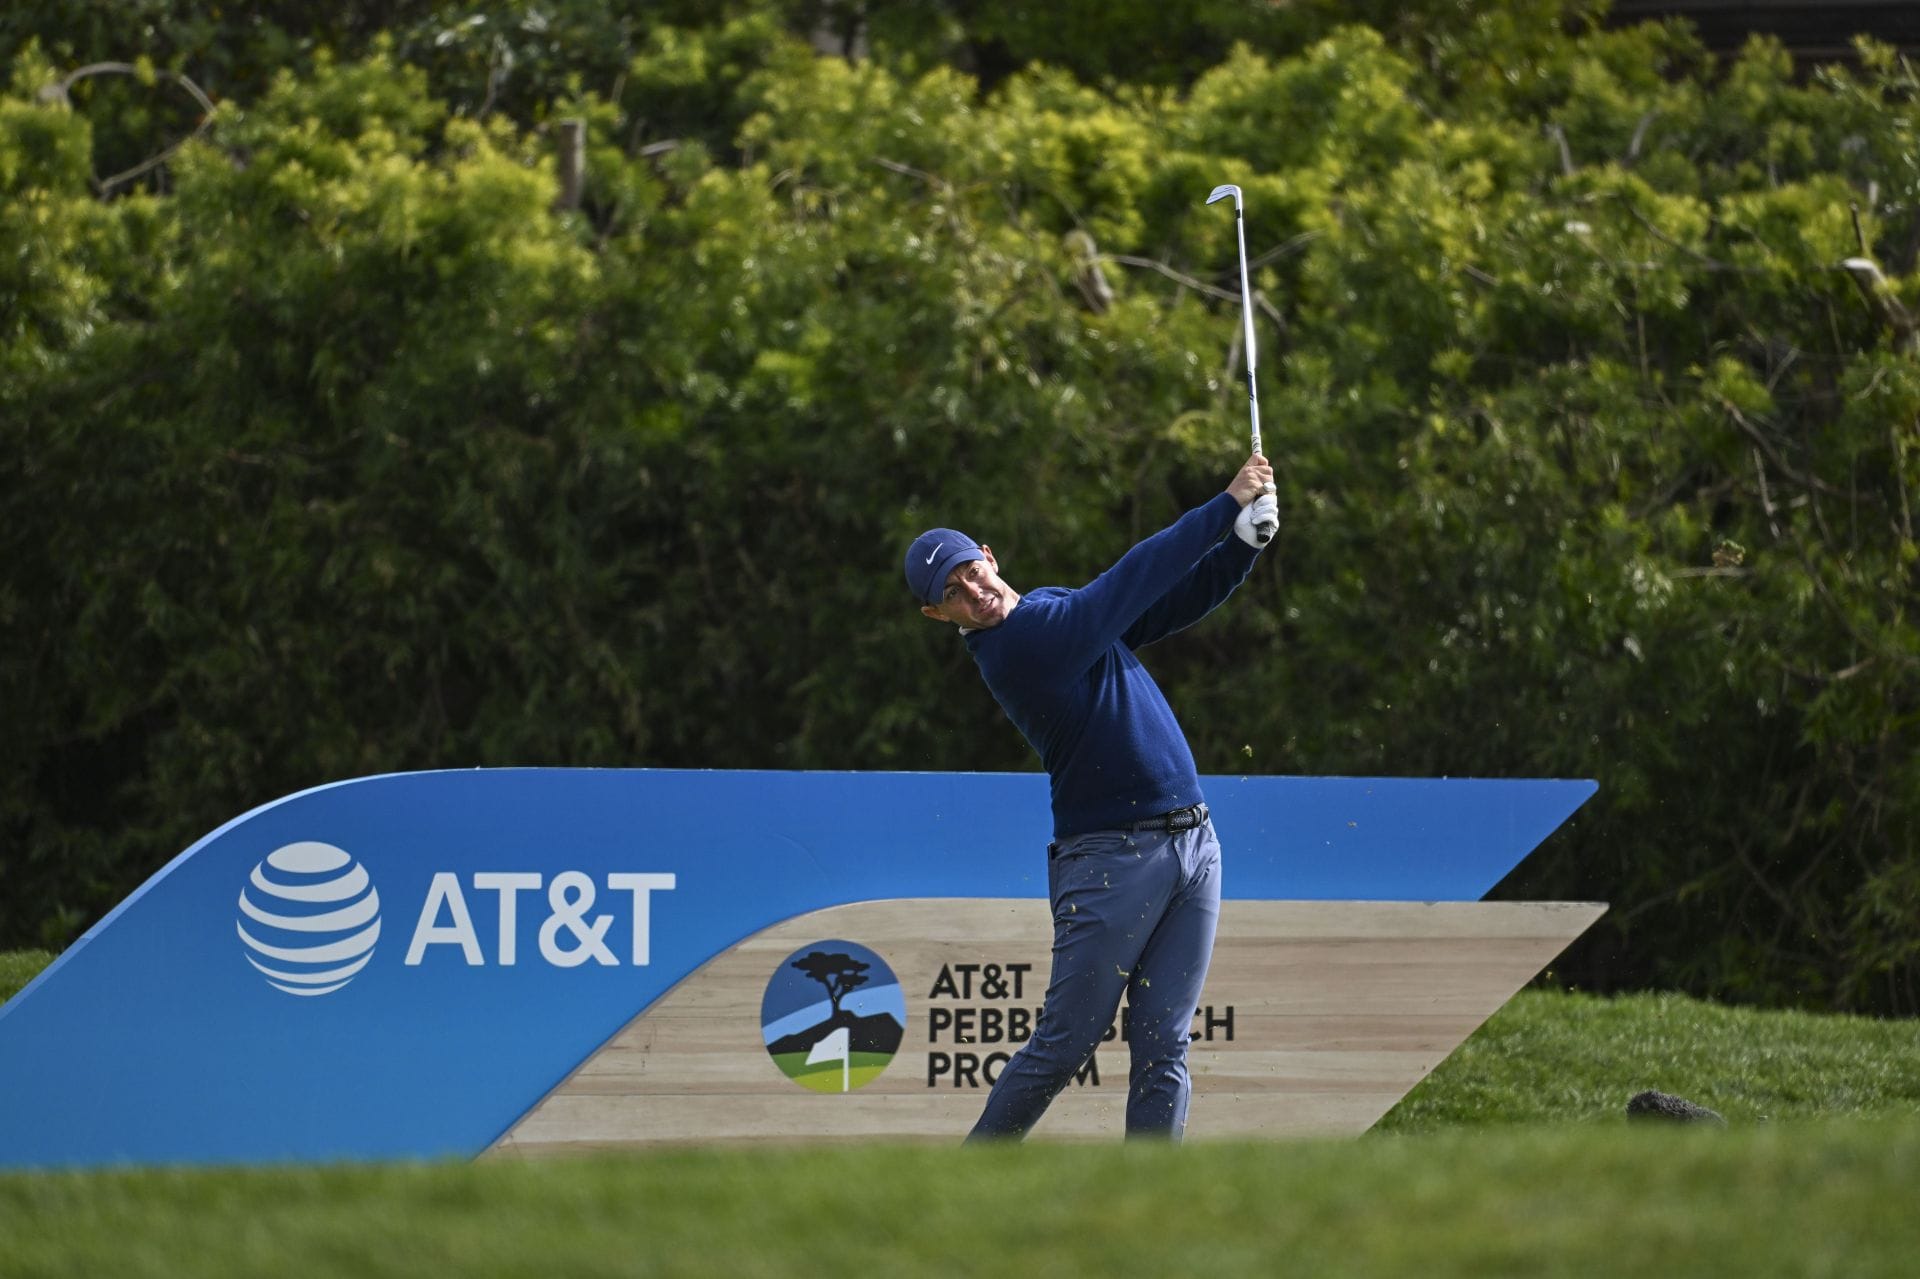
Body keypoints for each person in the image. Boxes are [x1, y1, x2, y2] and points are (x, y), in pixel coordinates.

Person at [904, 455, 1278, 1140]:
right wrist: (1226, 505)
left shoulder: (1045, 605)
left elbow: (1163, 606)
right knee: (1063, 1046)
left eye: (972, 570)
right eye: (953, 592)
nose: (973, 590)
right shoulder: (1018, 648)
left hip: (1193, 844)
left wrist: (1242, 552)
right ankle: (964, 1183)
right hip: (1111, 858)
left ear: (989, 555)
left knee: (1166, 1045)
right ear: (938, 614)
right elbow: (1129, 580)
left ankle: (1145, 1210)